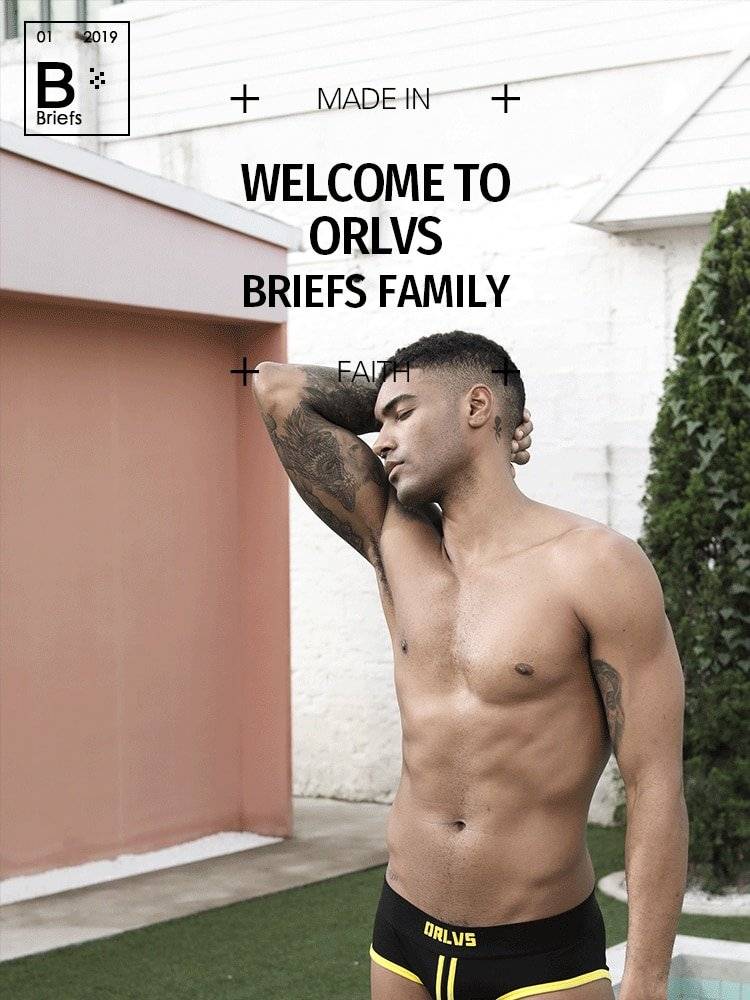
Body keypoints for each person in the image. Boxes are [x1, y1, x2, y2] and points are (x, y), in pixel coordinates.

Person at [251, 330, 688, 1000]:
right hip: (402, 935)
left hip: (539, 954)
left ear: (476, 407)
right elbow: (275, 387)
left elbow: (655, 780)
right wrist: (429, 397)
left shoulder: (596, 565)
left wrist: (647, 980)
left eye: (401, 416)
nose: (381, 440)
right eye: (380, 419)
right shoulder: (394, 540)